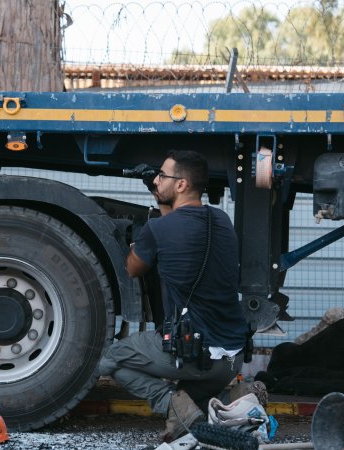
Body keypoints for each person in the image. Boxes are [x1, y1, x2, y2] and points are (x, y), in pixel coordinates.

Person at [97, 150, 250, 442]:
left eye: (161, 176)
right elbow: (179, 223)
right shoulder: (222, 221)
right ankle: (226, 400)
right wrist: (158, 193)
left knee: (110, 360)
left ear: (181, 185)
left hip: (192, 356)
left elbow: (132, 268)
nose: (156, 180)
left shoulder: (158, 229)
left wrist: (137, 241)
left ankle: (170, 405)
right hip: (230, 361)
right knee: (196, 407)